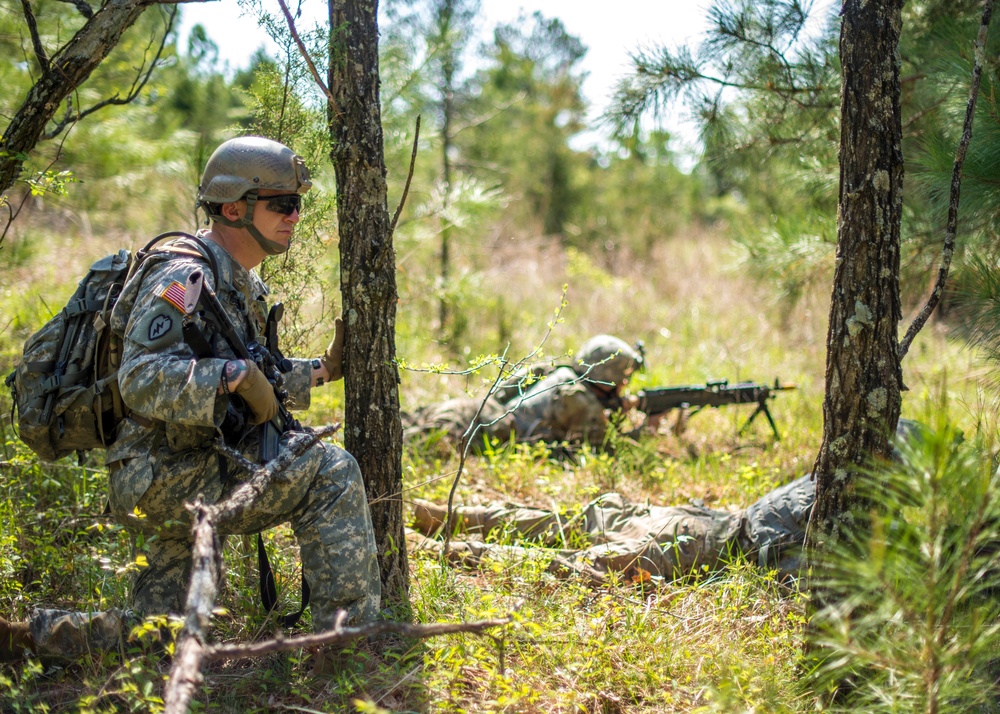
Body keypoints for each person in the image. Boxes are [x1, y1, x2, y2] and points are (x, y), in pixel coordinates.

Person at [1, 136, 380, 662]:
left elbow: (254, 375)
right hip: (169, 472)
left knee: (164, 634)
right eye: (282, 204)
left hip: (170, 467)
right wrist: (233, 376)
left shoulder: (234, 281)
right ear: (234, 207)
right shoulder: (184, 275)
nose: (294, 216)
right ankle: (349, 650)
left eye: (297, 204)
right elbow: (141, 375)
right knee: (331, 472)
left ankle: (26, 639)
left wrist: (321, 371)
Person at [403, 334, 650, 452]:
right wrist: (644, 428)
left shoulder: (559, 372)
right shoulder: (581, 401)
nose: (625, 384)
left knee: (404, 425)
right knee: (406, 446)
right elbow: (604, 449)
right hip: (486, 430)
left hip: (474, 409)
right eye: (624, 378)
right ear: (609, 377)